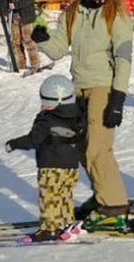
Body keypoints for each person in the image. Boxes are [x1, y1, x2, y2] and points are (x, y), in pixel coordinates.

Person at [31, 0, 134, 232]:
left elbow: (124, 56)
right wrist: (41, 37)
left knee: (98, 149)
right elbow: (57, 50)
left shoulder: (116, 12)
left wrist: (118, 97)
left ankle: (113, 205)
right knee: (80, 147)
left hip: (103, 87)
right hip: (77, 88)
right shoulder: (73, 12)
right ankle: (101, 194)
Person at [5, 74, 87, 243]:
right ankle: (65, 223)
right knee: (64, 195)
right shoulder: (78, 114)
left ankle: (49, 229)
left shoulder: (46, 120)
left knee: (49, 198)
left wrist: (13, 144)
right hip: (71, 166)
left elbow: (33, 140)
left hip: (51, 167)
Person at [1, 0, 41, 75]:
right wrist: (4, 12)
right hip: (13, 16)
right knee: (16, 41)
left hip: (26, 15)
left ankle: (35, 64)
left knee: (28, 40)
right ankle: (21, 63)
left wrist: (17, 5)